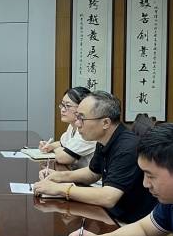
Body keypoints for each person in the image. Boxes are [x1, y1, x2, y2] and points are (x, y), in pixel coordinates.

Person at [33, 90, 156, 224]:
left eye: (82, 118)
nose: (77, 123)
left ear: (105, 123)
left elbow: (108, 198)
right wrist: (59, 176)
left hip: (127, 221)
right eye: (77, 117)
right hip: (110, 212)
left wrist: (59, 189)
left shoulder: (127, 148)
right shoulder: (104, 139)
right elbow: (93, 173)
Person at [38, 86, 96, 169]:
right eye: (62, 105)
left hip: (91, 176)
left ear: (82, 107)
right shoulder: (72, 125)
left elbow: (63, 158)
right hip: (75, 172)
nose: (62, 110)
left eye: (68, 106)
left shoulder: (88, 130)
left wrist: (59, 150)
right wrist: (49, 146)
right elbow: (62, 143)